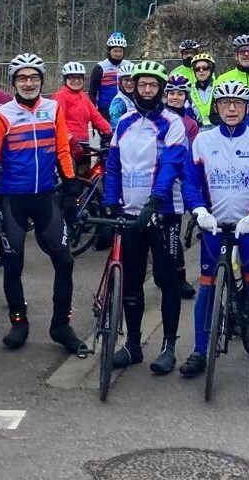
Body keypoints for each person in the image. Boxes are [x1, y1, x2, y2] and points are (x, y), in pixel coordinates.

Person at [178, 80, 249, 380]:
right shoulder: (202, 141)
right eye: (225, 103)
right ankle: (200, 350)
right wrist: (198, 210)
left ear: (246, 108)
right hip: (214, 227)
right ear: (216, 107)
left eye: (237, 104)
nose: (231, 108)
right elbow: (190, 182)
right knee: (207, 290)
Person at [0, 53, 86, 354]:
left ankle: (61, 325)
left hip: (45, 197)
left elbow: (62, 149)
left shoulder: (53, 108)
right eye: (22, 78)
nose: (28, 83)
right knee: (13, 264)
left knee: (65, 261)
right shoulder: (1, 115)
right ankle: (19, 322)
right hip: (12, 199)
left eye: (34, 78)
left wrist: (71, 188)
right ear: (14, 82)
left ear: (41, 80)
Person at [103, 61, 189, 374]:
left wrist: (155, 202)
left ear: (161, 89)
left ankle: (168, 348)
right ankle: (133, 345)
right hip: (130, 212)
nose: (147, 90)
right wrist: (110, 202)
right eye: (142, 84)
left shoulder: (172, 122)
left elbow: (171, 165)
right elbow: (113, 165)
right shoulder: (124, 122)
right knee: (132, 280)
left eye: (153, 85)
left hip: (163, 213)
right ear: (134, 87)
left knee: (167, 280)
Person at [164, 72, 201, 300]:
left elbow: (193, 154)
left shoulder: (190, 123)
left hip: (177, 182)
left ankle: (179, 277)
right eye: (171, 93)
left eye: (180, 94)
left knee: (173, 233)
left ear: (186, 97)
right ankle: (161, 274)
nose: (175, 97)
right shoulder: (159, 117)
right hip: (157, 180)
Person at [54, 62, 112, 165]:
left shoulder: (84, 96)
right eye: (72, 78)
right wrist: (72, 141)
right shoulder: (60, 96)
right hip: (68, 145)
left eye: (79, 78)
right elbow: (58, 123)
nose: (76, 81)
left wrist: (110, 132)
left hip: (84, 144)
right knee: (71, 174)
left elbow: (96, 117)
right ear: (65, 79)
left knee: (87, 173)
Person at [89, 31, 129, 120]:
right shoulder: (100, 67)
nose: (118, 54)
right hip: (105, 108)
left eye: (120, 51)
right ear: (109, 51)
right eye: (115, 51)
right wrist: (93, 114)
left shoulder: (129, 65)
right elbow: (92, 92)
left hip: (126, 106)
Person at [107, 61, 136, 132]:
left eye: (132, 80)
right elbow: (116, 127)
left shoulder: (140, 97)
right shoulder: (118, 102)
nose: (129, 83)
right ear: (120, 82)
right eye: (126, 80)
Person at [189, 52, 216, 126]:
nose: (201, 71)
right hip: (198, 129)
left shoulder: (219, 86)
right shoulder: (190, 90)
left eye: (205, 68)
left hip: (218, 127)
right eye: (197, 69)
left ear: (211, 70)